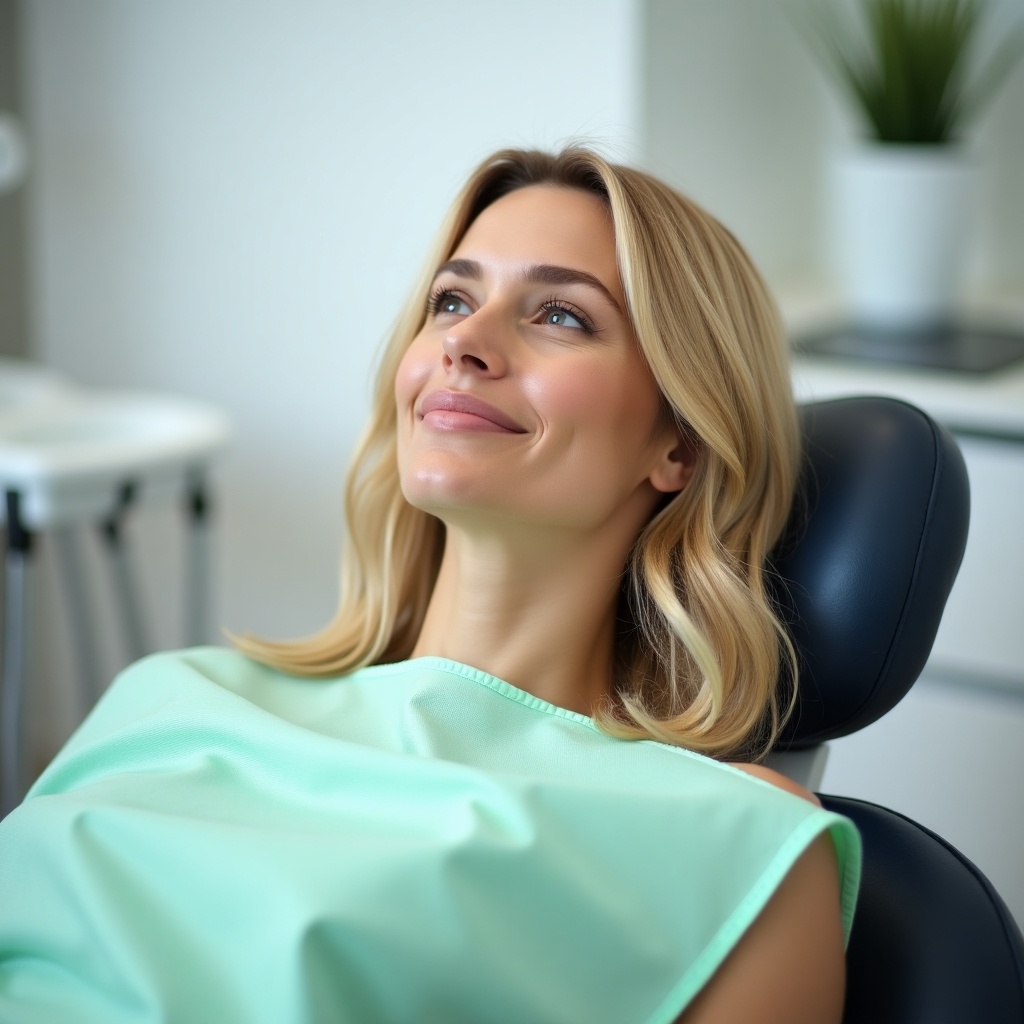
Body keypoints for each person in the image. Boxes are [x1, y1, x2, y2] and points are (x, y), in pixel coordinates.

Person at [0, 147, 860, 1023]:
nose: (464, 342)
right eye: (452, 300)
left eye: (560, 314)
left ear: (677, 442)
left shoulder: (736, 849)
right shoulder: (169, 697)